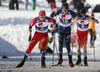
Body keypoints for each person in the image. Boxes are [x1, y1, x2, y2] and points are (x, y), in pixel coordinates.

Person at [50, 3, 76, 67]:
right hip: (60, 30)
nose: (64, 12)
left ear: (68, 9)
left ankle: (70, 61)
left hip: (67, 30)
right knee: (60, 45)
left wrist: (76, 14)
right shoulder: (59, 11)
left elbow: (77, 16)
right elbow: (51, 16)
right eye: (63, 10)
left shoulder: (70, 12)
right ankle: (60, 59)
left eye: (66, 10)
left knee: (68, 46)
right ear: (62, 9)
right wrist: (54, 12)